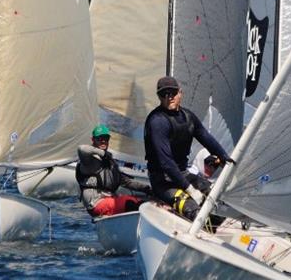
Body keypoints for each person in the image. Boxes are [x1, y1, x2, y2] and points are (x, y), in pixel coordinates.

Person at [144, 76, 233, 220]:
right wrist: (190, 189)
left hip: (183, 174)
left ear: (180, 93)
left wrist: (225, 158)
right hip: (163, 181)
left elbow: (207, 139)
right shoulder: (157, 122)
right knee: (194, 209)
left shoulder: (188, 117)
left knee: (217, 198)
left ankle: (226, 229)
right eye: (164, 94)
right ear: (159, 97)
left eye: (172, 93)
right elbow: (166, 163)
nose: (169, 97)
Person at [76, 124, 154, 217]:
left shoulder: (109, 162)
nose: (103, 140)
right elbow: (81, 148)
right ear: (93, 140)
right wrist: (102, 153)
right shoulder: (88, 160)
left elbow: (127, 182)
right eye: (99, 138)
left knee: (143, 203)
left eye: (106, 138)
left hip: (110, 201)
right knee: (129, 203)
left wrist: (148, 189)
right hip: (96, 203)